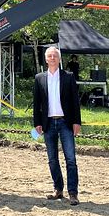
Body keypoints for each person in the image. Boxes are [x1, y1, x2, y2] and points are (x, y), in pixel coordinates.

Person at [33, 46, 81, 206]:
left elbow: (75, 101)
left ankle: (73, 193)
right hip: (48, 123)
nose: (52, 58)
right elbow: (37, 103)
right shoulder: (39, 78)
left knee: (71, 159)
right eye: (49, 56)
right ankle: (58, 189)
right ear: (46, 59)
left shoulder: (68, 76)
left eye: (55, 56)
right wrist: (37, 123)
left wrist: (77, 122)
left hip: (65, 122)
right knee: (52, 159)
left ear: (59, 59)